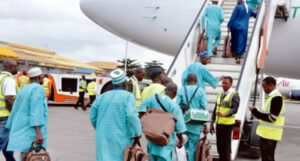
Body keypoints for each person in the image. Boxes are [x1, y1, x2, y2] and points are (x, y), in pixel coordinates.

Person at [90, 69, 141, 161]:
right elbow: (131, 116)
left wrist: (101, 128)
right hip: (122, 137)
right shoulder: (128, 96)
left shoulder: (101, 97)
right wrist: (137, 133)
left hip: (103, 137)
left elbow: (93, 117)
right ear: (124, 83)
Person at [5, 67, 48, 159]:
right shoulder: (37, 89)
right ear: (39, 77)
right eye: (42, 76)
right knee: (35, 157)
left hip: (23, 131)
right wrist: (38, 133)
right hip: (33, 132)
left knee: (25, 157)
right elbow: (36, 111)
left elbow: (15, 108)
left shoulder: (24, 88)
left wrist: (10, 125)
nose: (43, 77)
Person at [139, 82, 186, 161]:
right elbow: (179, 128)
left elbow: (141, 110)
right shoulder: (175, 107)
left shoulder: (153, 98)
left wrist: (147, 124)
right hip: (165, 143)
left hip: (152, 139)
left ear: (165, 90)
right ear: (175, 93)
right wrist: (181, 141)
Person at [249, 76, 285, 161]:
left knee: (268, 158)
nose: (263, 89)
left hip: (270, 135)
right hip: (267, 134)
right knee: (266, 158)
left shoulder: (276, 98)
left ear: (271, 86)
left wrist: (255, 111)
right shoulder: (272, 97)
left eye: (264, 87)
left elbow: (272, 118)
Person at [176, 74, 207, 161]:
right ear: (196, 81)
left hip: (183, 124)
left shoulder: (181, 90)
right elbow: (204, 108)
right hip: (195, 125)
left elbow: (176, 106)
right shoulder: (201, 91)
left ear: (187, 81)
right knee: (192, 149)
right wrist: (205, 125)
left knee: (181, 147)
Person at [209, 76, 240, 161]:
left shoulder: (234, 94)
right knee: (220, 147)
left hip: (227, 125)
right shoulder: (220, 94)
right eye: (222, 83)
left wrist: (225, 114)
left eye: (226, 83)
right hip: (219, 124)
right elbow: (216, 108)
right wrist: (211, 123)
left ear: (231, 84)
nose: (223, 84)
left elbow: (235, 109)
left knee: (226, 147)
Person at [0, 60, 18, 161]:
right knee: (2, 142)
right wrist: (13, 115)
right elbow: (9, 99)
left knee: (7, 146)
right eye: (16, 66)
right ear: (10, 67)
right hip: (5, 117)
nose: (17, 68)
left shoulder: (1, 78)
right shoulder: (9, 80)